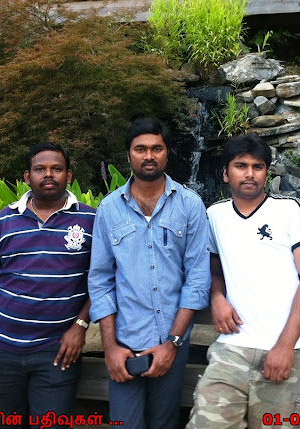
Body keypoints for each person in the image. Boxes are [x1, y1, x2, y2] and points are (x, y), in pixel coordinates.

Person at [187, 134, 300, 429]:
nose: (249, 174)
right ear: (225, 172)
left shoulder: (291, 210)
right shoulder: (213, 215)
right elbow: (211, 271)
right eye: (240, 166)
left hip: (292, 350)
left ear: (266, 172)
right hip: (232, 349)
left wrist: (285, 346)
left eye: (258, 167)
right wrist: (216, 298)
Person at [87, 117, 211, 429]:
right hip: (125, 344)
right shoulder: (109, 208)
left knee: (164, 423)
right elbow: (100, 279)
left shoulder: (190, 204)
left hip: (172, 343)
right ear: (128, 155)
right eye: (140, 149)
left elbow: (197, 277)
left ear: (167, 153)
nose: (149, 156)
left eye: (157, 148)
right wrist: (110, 348)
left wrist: (172, 343)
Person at [0, 142, 95, 429]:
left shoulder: (90, 220)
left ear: (69, 175)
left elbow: (101, 279)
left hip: (58, 351)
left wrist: (80, 326)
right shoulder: (3, 221)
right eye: (40, 169)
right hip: (1, 351)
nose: (48, 175)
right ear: (27, 177)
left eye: (56, 169)